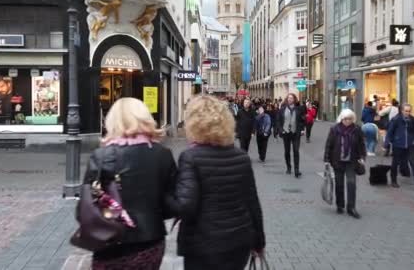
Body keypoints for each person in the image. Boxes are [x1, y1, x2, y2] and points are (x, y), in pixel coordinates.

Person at [169, 95, 266, 270]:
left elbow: (185, 206)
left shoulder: (190, 157)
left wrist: (164, 197)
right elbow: (253, 204)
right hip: (238, 243)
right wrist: (259, 242)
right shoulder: (241, 158)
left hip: (202, 245)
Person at [82, 98, 177, 269]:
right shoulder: (162, 154)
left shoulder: (101, 155)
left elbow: (86, 204)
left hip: (109, 242)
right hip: (150, 239)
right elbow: (171, 205)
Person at [323, 109, 366, 219]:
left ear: (353, 119)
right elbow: (329, 145)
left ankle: (351, 207)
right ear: (341, 119)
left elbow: (361, 144)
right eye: (345, 119)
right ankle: (340, 205)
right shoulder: (334, 129)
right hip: (337, 161)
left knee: (351, 184)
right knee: (339, 184)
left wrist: (362, 157)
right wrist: (327, 160)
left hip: (351, 161)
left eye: (350, 119)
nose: (347, 121)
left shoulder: (357, 130)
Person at [384, 104, 414, 193]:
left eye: (409, 111)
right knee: (395, 163)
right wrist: (387, 144)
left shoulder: (413, 120)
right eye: (406, 111)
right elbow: (390, 132)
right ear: (402, 111)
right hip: (398, 145)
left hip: (410, 145)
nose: (407, 113)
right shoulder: (396, 119)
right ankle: (393, 180)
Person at [276, 93, 306, 177]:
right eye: (288, 98)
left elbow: (302, 120)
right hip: (286, 133)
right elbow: (278, 121)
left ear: (294, 99)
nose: (290, 99)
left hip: (296, 132)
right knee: (287, 151)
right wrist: (281, 130)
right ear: (286, 99)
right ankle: (288, 167)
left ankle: (297, 170)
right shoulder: (282, 109)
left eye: (291, 98)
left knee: (296, 151)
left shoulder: (299, 109)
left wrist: (302, 129)